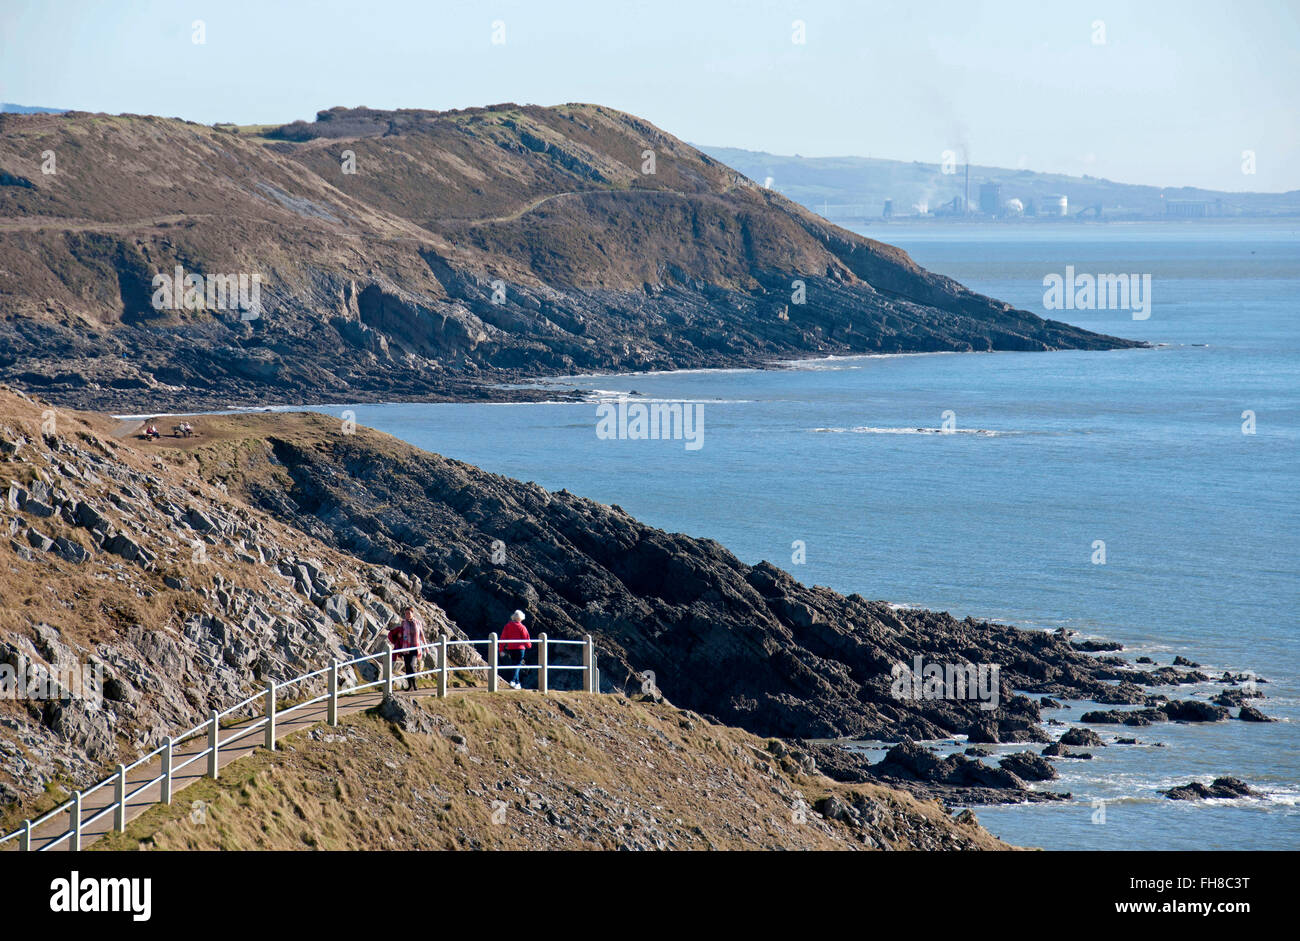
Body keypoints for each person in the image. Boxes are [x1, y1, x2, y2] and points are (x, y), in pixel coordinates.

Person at [388, 605, 426, 692]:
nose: (407, 615)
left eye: (409, 613)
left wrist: (425, 645)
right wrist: (398, 637)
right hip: (405, 648)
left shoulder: (418, 622)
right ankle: (410, 686)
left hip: (415, 647)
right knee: (408, 666)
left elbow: (421, 634)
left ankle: (414, 684)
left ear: (413, 613)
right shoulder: (403, 623)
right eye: (406, 613)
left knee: (412, 665)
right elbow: (400, 632)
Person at [500, 610, 532, 689]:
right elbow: (526, 639)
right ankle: (513, 681)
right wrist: (529, 645)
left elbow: (503, 638)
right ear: (521, 618)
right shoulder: (522, 627)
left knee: (515, 665)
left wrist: (501, 649)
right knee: (517, 664)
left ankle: (517, 684)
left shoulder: (507, 626)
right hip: (520, 649)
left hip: (511, 648)